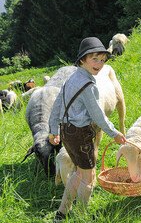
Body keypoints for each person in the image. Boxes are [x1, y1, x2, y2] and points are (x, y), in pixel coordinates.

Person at [48, 37, 127, 222]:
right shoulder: (89, 86)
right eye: (94, 59)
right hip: (81, 135)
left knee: (78, 173)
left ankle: (61, 213)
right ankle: (82, 215)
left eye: (102, 60)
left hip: (67, 132)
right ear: (82, 59)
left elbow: (57, 106)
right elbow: (98, 115)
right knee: (89, 176)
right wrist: (114, 133)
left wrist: (54, 130)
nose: (99, 64)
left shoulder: (70, 79)